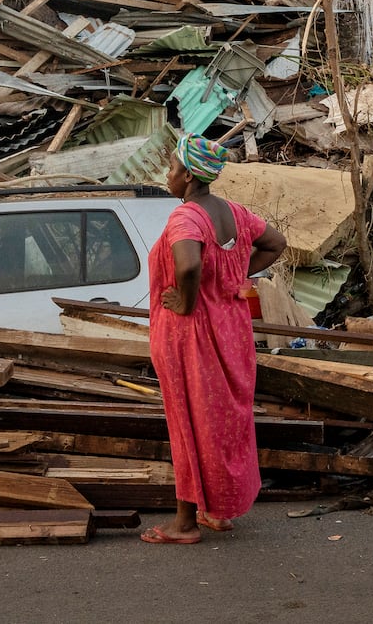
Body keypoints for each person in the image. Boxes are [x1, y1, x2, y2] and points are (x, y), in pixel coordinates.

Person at [140, 134, 286, 545]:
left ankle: (184, 524)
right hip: (232, 331)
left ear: (188, 176)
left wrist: (186, 302)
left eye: (171, 168)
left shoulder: (185, 217)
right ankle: (216, 512)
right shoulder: (235, 214)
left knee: (188, 422)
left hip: (192, 335)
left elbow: (187, 265)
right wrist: (234, 277)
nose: (167, 175)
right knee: (223, 422)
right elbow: (275, 243)